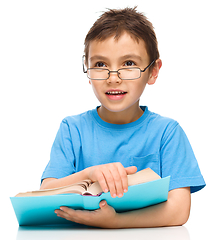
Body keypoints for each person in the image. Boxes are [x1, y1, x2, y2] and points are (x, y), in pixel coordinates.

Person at [40, 7, 205, 228]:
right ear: (87, 69)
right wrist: (90, 174)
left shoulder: (168, 132)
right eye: (100, 65)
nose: (113, 78)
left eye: (128, 64)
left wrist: (116, 221)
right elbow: (44, 193)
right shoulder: (72, 128)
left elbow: (179, 210)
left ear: (153, 71)